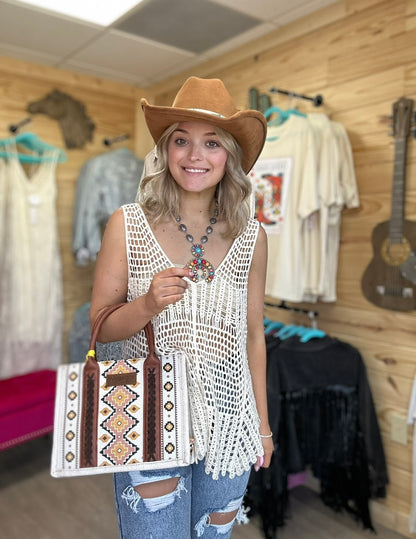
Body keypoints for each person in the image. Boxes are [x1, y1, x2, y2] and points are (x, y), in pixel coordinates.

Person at [89, 76, 273, 538]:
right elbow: (101, 325)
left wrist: (263, 428)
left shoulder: (252, 237)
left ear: (229, 155)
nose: (195, 156)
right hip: (150, 419)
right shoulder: (127, 224)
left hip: (231, 421)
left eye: (211, 143)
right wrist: (148, 303)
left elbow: (253, 335)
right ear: (164, 151)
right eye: (181, 141)